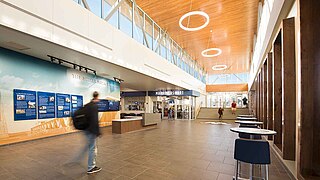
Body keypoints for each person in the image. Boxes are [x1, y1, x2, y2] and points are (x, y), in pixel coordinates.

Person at [73, 91, 102, 174]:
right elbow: (94, 121)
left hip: (86, 129)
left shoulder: (87, 105)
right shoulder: (94, 107)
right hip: (91, 130)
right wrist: (97, 132)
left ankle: (77, 159)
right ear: (97, 97)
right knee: (92, 148)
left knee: (89, 146)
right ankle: (91, 167)